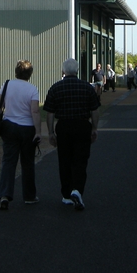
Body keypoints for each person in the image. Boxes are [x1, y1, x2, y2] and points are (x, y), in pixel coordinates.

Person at [45, 58, 101, 211]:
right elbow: (95, 110)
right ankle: (77, 190)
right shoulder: (87, 88)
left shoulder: (56, 88)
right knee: (80, 160)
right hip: (82, 125)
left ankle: (66, 194)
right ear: (77, 71)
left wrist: (50, 132)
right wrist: (94, 128)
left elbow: (50, 112)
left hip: (63, 126)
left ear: (63, 71)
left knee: (64, 160)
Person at [0, 60, 41, 210]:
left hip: (9, 126)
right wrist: (38, 131)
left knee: (8, 161)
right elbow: (34, 111)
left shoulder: (7, 85)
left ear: (16, 71)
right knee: (27, 163)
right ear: (30, 74)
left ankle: (5, 195)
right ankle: (29, 196)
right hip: (27, 127)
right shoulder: (32, 89)